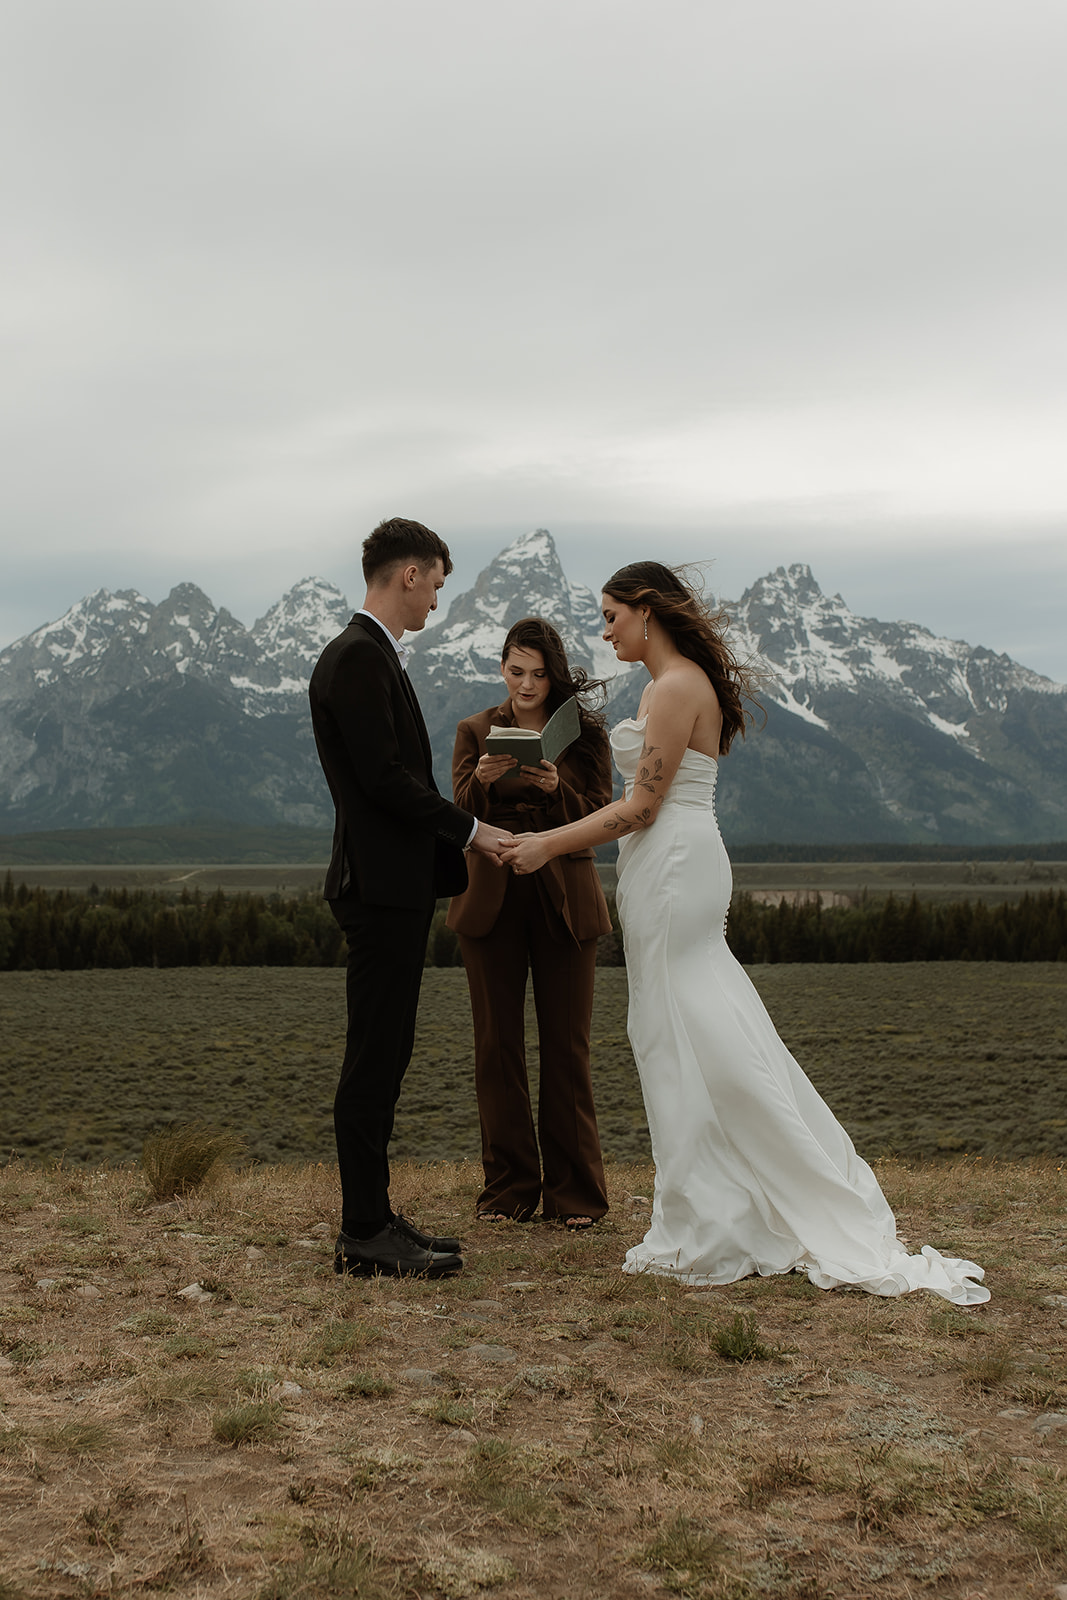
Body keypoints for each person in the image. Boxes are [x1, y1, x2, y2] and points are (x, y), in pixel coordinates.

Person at [501, 562, 988, 1304]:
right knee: (695, 1026)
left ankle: (707, 1218)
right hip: (675, 862)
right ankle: (720, 1200)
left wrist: (546, 844)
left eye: (609, 616)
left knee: (670, 1031)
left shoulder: (672, 687)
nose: (602, 631)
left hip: (673, 866)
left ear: (645, 611)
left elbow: (640, 809)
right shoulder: (672, 683)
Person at [309, 517, 515, 1279]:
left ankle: (375, 1213)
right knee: (373, 1056)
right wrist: (472, 832)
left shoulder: (370, 656)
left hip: (393, 885)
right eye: (435, 582)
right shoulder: (356, 657)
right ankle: (362, 1231)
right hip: (379, 887)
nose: (436, 599)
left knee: (387, 1051)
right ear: (408, 574)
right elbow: (384, 782)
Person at [447, 617, 612, 1230]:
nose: (527, 684)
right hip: (489, 895)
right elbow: (454, 814)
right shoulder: (473, 730)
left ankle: (576, 1196)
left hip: (564, 892)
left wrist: (556, 786)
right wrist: (481, 783)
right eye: (517, 671)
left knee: (567, 1047)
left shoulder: (583, 736)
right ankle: (510, 1191)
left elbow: (604, 812)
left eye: (539, 674)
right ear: (501, 669)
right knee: (496, 1048)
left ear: (554, 675)